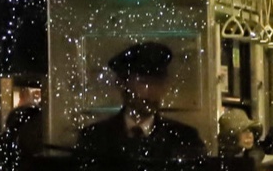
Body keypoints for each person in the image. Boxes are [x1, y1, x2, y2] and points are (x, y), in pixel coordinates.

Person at [77, 42, 205, 163]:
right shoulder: (94, 139)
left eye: (158, 83)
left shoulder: (185, 139)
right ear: (122, 84)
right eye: (144, 82)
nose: (152, 91)